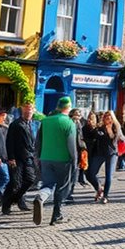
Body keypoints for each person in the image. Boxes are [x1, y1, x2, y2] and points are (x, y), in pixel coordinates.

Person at [32, 96, 77, 226]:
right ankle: (57, 215)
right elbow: (71, 145)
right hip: (63, 159)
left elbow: (38, 141)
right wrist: (74, 161)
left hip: (46, 158)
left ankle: (41, 197)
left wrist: (38, 156)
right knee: (62, 187)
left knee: (48, 184)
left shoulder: (45, 121)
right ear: (68, 108)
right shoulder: (69, 123)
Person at [0, 102, 36, 214]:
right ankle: (6, 206)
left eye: (30, 111)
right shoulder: (16, 124)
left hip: (28, 157)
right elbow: (9, 142)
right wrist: (11, 158)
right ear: (22, 111)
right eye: (26, 111)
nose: (28, 113)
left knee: (30, 179)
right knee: (14, 183)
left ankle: (14, 200)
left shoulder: (31, 124)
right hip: (17, 157)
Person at [85, 111, 121, 204]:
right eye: (106, 117)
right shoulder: (99, 127)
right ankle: (99, 188)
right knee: (91, 173)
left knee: (108, 176)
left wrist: (109, 129)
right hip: (99, 153)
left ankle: (105, 196)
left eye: (109, 117)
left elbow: (113, 139)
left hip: (111, 153)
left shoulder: (116, 127)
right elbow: (93, 135)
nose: (107, 119)